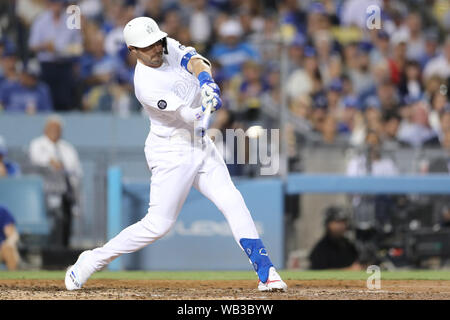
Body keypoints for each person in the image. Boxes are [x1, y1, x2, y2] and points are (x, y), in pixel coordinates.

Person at [65, 17, 287, 292]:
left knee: (232, 200)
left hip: (200, 144)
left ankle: (267, 273)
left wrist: (206, 82)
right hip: (171, 149)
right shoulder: (146, 85)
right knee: (158, 225)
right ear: (132, 50)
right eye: (147, 47)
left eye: (156, 41)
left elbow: (196, 60)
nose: (156, 49)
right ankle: (92, 260)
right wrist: (204, 107)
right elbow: (189, 115)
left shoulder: (165, 45)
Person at [29, 115, 82, 248]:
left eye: (57, 128)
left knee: (66, 223)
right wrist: (49, 161)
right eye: (52, 128)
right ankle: (52, 253)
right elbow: (35, 159)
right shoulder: (37, 144)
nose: (55, 131)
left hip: (66, 192)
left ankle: (63, 251)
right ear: (45, 129)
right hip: (45, 191)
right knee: (55, 222)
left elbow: (77, 170)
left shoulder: (67, 148)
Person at [309, 206, 361, 270]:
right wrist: (348, 270)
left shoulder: (349, 245)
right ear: (328, 224)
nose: (341, 225)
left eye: (343, 222)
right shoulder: (320, 249)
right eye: (337, 222)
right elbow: (317, 274)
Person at [0, 205, 20, 270]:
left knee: (8, 247)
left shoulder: (2, 211)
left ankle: (14, 276)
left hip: (2, 248)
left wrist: (9, 243)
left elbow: (12, 234)